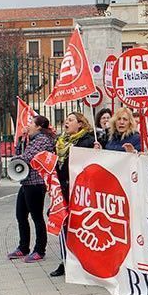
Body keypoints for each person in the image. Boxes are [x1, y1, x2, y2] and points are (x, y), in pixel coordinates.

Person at [50, 112, 96, 277]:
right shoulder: (60, 142)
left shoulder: (88, 141)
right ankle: (66, 261)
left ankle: (85, 262)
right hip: (63, 189)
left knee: (82, 225)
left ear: (80, 124)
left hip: (79, 190)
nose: (66, 122)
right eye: (66, 119)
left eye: (70, 120)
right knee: (63, 224)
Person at [7, 115, 56, 263]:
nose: (28, 125)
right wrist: (22, 139)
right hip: (27, 182)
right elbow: (19, 154)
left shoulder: (42, 140)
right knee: (21, 215)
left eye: (31, 123)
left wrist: (15, 159)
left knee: (37, 217)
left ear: (39, 126)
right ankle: (23, 247)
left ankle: (40, 250)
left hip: (36, 183)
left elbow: (26, 157)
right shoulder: (31, 140)